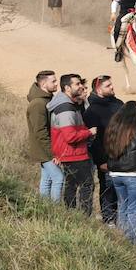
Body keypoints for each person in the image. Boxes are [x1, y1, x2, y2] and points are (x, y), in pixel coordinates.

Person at [104, 100, 136, 246]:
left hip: (115, 174)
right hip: (133, 174)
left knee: (122, 206)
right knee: (134, 209)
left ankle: (123, 240)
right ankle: (133, 243)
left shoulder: (113, 128)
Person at [47, 74, 97, 214]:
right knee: (86, 185)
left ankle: (71, 215)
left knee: (71, 186)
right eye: (77, 84)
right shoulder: (66, 108)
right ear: (67, 88)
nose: (81, 86)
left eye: (81, 83)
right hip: (74, 153)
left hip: (69, 153)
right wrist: (90, 132)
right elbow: (69, 136)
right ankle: (83, 217)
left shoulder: (67, 104)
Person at [83, 75, 125, 225]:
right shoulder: (91, 111)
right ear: (99, 89)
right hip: (105, 158)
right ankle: (109, 219)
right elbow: (93, 140)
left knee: (122, 190)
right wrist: (100, 161)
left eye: (111, 84)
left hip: (124, 156)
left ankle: (123, 219)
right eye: (108, 86)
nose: (112, 87)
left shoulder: (119, 104)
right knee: (108, 189)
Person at [26, 70, 63, 202]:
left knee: (46, 180)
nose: (56, 83)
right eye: (53, 81)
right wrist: (52, 153)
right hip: (44, 150)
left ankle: (45, 209)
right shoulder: (38, 104)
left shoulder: (47, 100)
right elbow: (40, 131)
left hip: (47, 149)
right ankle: (55, 211)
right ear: (43, 84)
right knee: (58, 178)